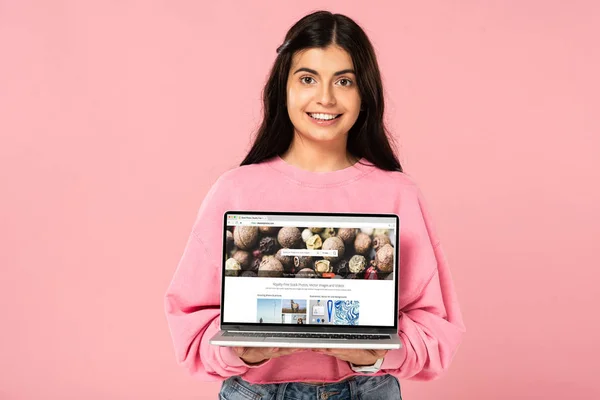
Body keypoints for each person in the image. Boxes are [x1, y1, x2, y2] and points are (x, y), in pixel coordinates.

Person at [164, 10, 465, 400]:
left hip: (367, 391)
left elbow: (436, 330)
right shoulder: (235, 190)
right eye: (307, 79)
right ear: (282, 88)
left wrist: (376, 354)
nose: (325, 98)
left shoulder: (398, 194)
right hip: (255, 392)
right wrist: (241, 351)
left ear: (364, 93)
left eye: (344, 81)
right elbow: (188, 324)